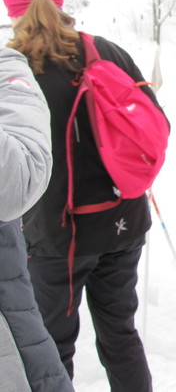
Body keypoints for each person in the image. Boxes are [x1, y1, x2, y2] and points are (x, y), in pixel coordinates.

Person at [1, 0, 157, 391]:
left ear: (12, 9)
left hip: (55, 238)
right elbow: (151, 121)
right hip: (123, 221)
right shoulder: (106, 51)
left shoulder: (13, 73)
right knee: (121, 336)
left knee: (51, 349)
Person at [0, 46, 74, 392]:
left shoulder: (8, 64)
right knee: (118, 333)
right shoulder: (99, 52)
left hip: (51, 232)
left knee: (61, 329)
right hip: (110, 219)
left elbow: (18, 180)